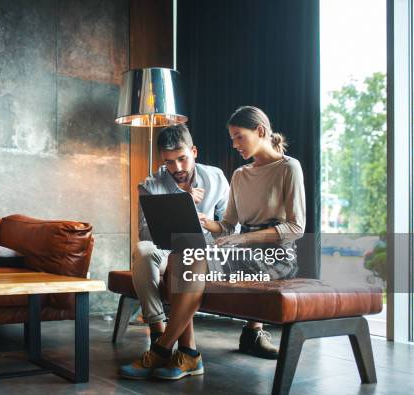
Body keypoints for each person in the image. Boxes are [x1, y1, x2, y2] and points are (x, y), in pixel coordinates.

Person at [119, 106, 306, 381]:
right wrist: (202, 220)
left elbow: (296, 228)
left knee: (191, 258)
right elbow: (227, 226)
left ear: (261, 131)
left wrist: (242, 238)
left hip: (276, 256)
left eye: (239, 137)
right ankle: (189, 355)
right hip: (240, 249)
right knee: (183, 257)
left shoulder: (289, 167)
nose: (234, 144)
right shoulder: (241, 174)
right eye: (232, 138)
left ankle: (162, 349)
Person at [131, 123, 229, 345]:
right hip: (165, 249)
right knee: (142, 251)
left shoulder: (216, 178)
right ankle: (157, 329)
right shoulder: (150, 185)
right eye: (169, 161)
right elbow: (145, 234)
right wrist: (179, 202)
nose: (176, 168)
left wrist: (200, 222)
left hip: (204, 250)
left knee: (186, 256)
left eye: (182, 158)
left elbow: (230, 226)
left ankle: (174, 348)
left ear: (194, 152)